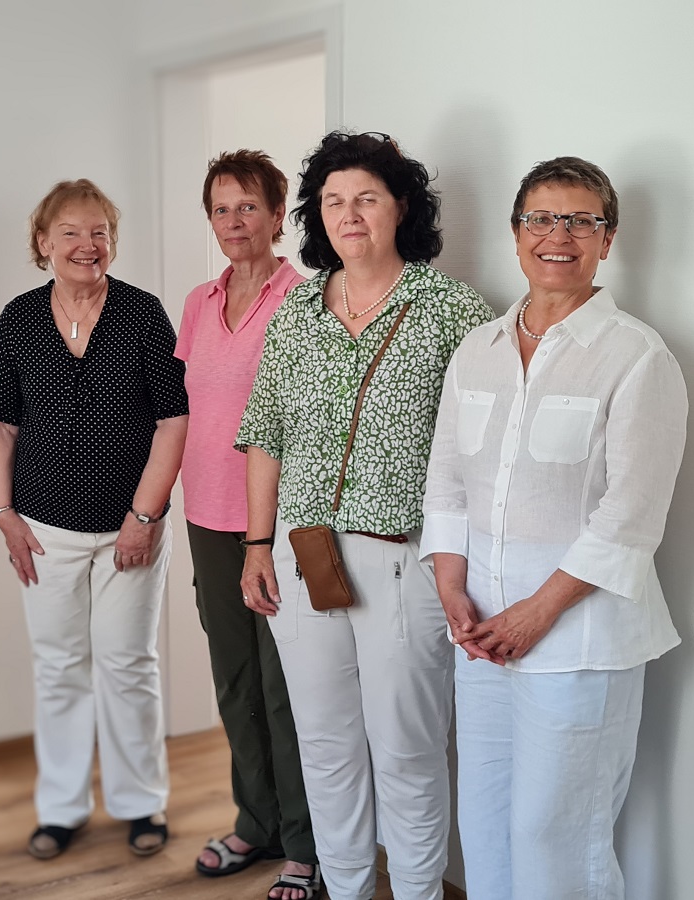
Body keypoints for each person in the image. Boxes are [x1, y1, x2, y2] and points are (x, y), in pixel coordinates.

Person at [236, 131, 494, 900]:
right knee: (325, 743)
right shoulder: (296, 313)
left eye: (367, 198)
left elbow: (478, 450)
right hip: (302, 552)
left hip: (403, 558)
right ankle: (345, 888)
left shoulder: (451, 310)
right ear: (318, 215)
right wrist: (257, 544)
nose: (349, 214)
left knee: (409, 748)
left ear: (401, 209)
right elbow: (265, 433)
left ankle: (415, 892)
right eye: (334, 201)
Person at [421, 157, 686, 899]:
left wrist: (539, 611)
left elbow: (631, 516)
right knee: (486, 820)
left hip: (580, 642)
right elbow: (446, 478)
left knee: (558, 831)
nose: (558, 235)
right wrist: (451, 585)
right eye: (541, 218)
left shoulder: (637, 356)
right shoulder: (478, 349)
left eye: (581, 220)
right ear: (515, 234)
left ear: (608, 239)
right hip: (481, 637)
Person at [0, 179, 188, 861]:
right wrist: (4, 514)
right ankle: (62, 808)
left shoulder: (142, 314)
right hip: (44, 529)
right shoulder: (17, 319)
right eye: (69, 232)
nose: (86, 245)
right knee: (59, 666)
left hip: (132, 528)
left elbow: (172, 418)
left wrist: (144, 515)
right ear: (42, 242)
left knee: (128, 665)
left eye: (98, 231)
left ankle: (140, 804)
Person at [175, 150, 316, 900]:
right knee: (235, 684)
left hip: (277, 523)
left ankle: (304, 843)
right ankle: (255, 821)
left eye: (249, 207)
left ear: (275, 214)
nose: (235, 222)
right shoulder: (200, 302)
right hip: (206, 516)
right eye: (222, 209)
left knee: (286, 686)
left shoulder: (305, 298)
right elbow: (186, 414)